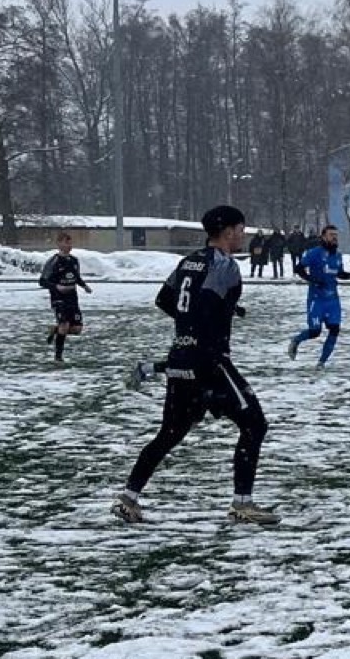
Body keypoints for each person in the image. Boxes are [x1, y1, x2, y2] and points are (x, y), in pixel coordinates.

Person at [114, 205, 277, 525]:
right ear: (228, 231)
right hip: (210, 360)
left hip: (181, 356)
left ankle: (129, 498)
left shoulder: (188, 261)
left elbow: (164, 299)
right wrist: (208, 332)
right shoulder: (225, 265)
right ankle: (242, 504)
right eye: (240, 230)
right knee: (254, 424)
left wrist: (189, 330)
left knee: (170, 432)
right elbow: (206, 305)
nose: (243, 236)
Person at [287, 224, 350, 367]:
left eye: (336, 235)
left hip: (333, 300)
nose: (334, 238)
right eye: (331, 235)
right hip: (317, 299)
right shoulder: (314, 253)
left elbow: (339, 274)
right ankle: (296, 340)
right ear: (323, 236)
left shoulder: (338, 255)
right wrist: (313, 280)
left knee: (334, 329)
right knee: (315, 331)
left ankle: (321, 363)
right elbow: (298, 268)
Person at [37, 232, 93, 364]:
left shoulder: (74, 260)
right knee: (64, 325)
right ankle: (58, 357)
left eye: (70, 242)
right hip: (58, 298)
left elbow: (75, 276)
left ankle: (54, 330)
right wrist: (57, 287)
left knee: (77, 329)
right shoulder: (53, 261)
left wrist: (84, 285)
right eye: (66, 242)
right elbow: (42, 281)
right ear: (59, 244)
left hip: (72, 298)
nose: (69, 245)